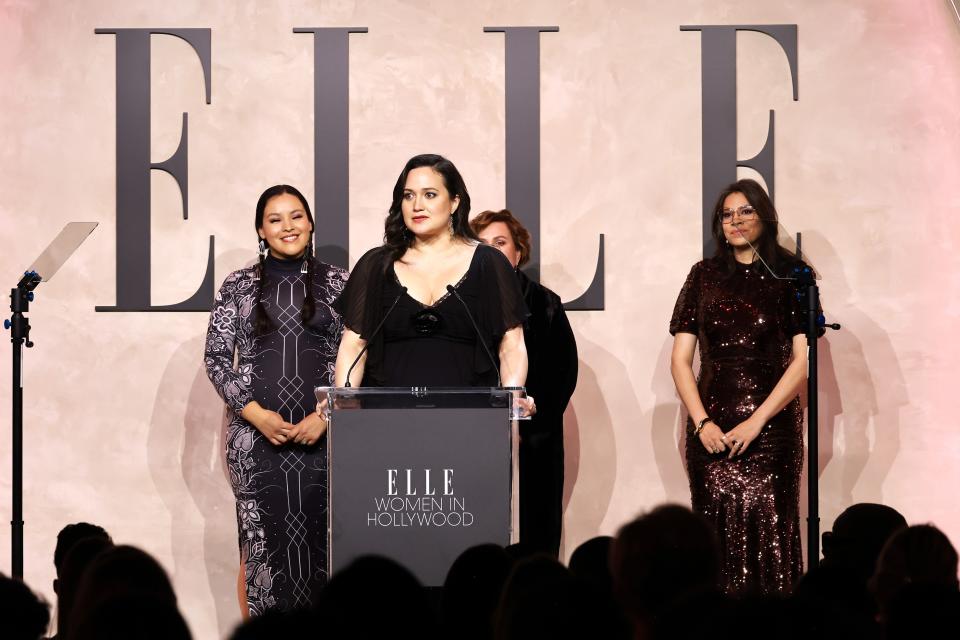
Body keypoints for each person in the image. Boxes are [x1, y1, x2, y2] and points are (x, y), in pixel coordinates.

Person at [205, 185, 348, 616]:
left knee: (327, 548)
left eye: (296, 216)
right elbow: (216, 359)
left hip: (327, 440)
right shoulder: (238, 285)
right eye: (275, 219)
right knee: (261, 550)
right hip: (254, 443)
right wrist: (256, 416)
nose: (288, 226)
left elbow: (358, 358)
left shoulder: (341, 282)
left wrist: (325, 416)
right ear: (261, 230)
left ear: (310, 223)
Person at [669, 178, 810, 596]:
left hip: (772, 431)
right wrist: (702, 423)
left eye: (745, 211)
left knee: (771, 532)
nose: (735, 220)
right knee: (714, 537)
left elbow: (803, 361)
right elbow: (680, 361)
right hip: (711, 429)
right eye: (727, 214)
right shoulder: (703, 275)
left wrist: (757, 422)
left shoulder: (792, 275)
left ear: (764, 215)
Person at [330, 154, 534, 414]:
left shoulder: (488, 263)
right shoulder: (375, 265)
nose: (417, 206)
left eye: (429, 195)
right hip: (386, 421)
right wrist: (345, 400)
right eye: (408, 195)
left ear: (454, 202)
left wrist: (513, 397)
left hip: (470, 421)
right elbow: (354, 344)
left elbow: (512, 344)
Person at [472, 209, 577, 556]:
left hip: (535, 437)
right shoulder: (459, 304)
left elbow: (563, 372)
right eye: (482, 244)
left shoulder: (545, 303)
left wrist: (530, 412)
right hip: (473, 438)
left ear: (518, 253)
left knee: (536, 534)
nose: (490, 251)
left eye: (499, 243)